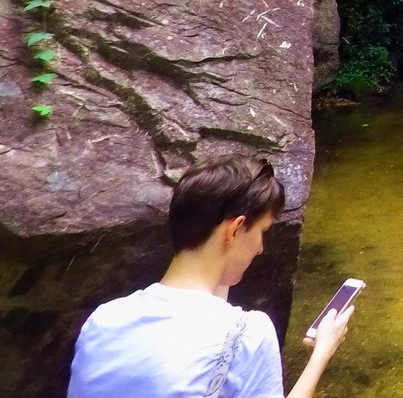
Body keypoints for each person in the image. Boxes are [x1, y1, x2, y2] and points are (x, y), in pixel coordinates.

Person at [68, 155, 354, 398]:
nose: (260, 248)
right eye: (261, 233)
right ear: (235, 230)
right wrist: (322, 353)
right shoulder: (247, 334)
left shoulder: (102, 321)